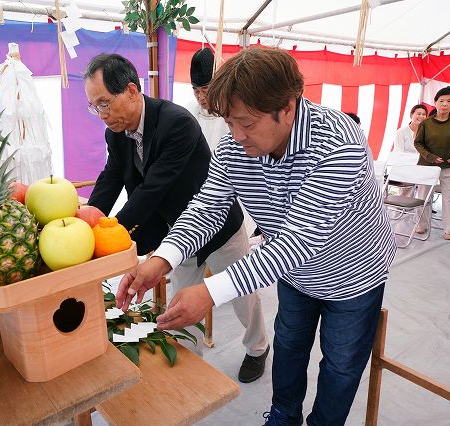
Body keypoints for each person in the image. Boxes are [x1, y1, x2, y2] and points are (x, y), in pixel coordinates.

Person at [116, 47, 396, 426]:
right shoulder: (234, 145)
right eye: (230, 123)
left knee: (342, 363)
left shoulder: (338, 142)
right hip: (296, 277)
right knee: (289, 345)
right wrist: (162, 259)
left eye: (246, 124)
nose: (236, 136)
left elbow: (297, 242)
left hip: (352, 276)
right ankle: (283, 414)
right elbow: (208, 206)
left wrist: (211, 293)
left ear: (288, 106)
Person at [83, 53, 269, 383]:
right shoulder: (117, 132)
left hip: (221, 227)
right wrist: (91, 219)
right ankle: (192, 362)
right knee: (182, 304)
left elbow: (152, 190)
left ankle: (258, 347)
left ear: (130, 90)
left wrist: (109, 237)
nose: (100, 114)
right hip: (177, 235)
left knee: (243, 297)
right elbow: (111, 176)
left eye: (104, 103)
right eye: (94, 107)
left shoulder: (176, 122)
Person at [187, 46, 258, 238]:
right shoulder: (188, 114)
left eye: (205, 90)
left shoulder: (234, 114)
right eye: (196, 91)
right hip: (203, 196)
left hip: (236, 193)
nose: (201, 97)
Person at [414, 86, 450, 240]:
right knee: (423, 196)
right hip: (427, 165)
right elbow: (418, 143)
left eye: (449, 101)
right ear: (435, 102)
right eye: (441, 100)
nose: (445, 103)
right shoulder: (426, 123)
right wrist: (430, 157)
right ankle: (421, 225)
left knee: (449, 197)